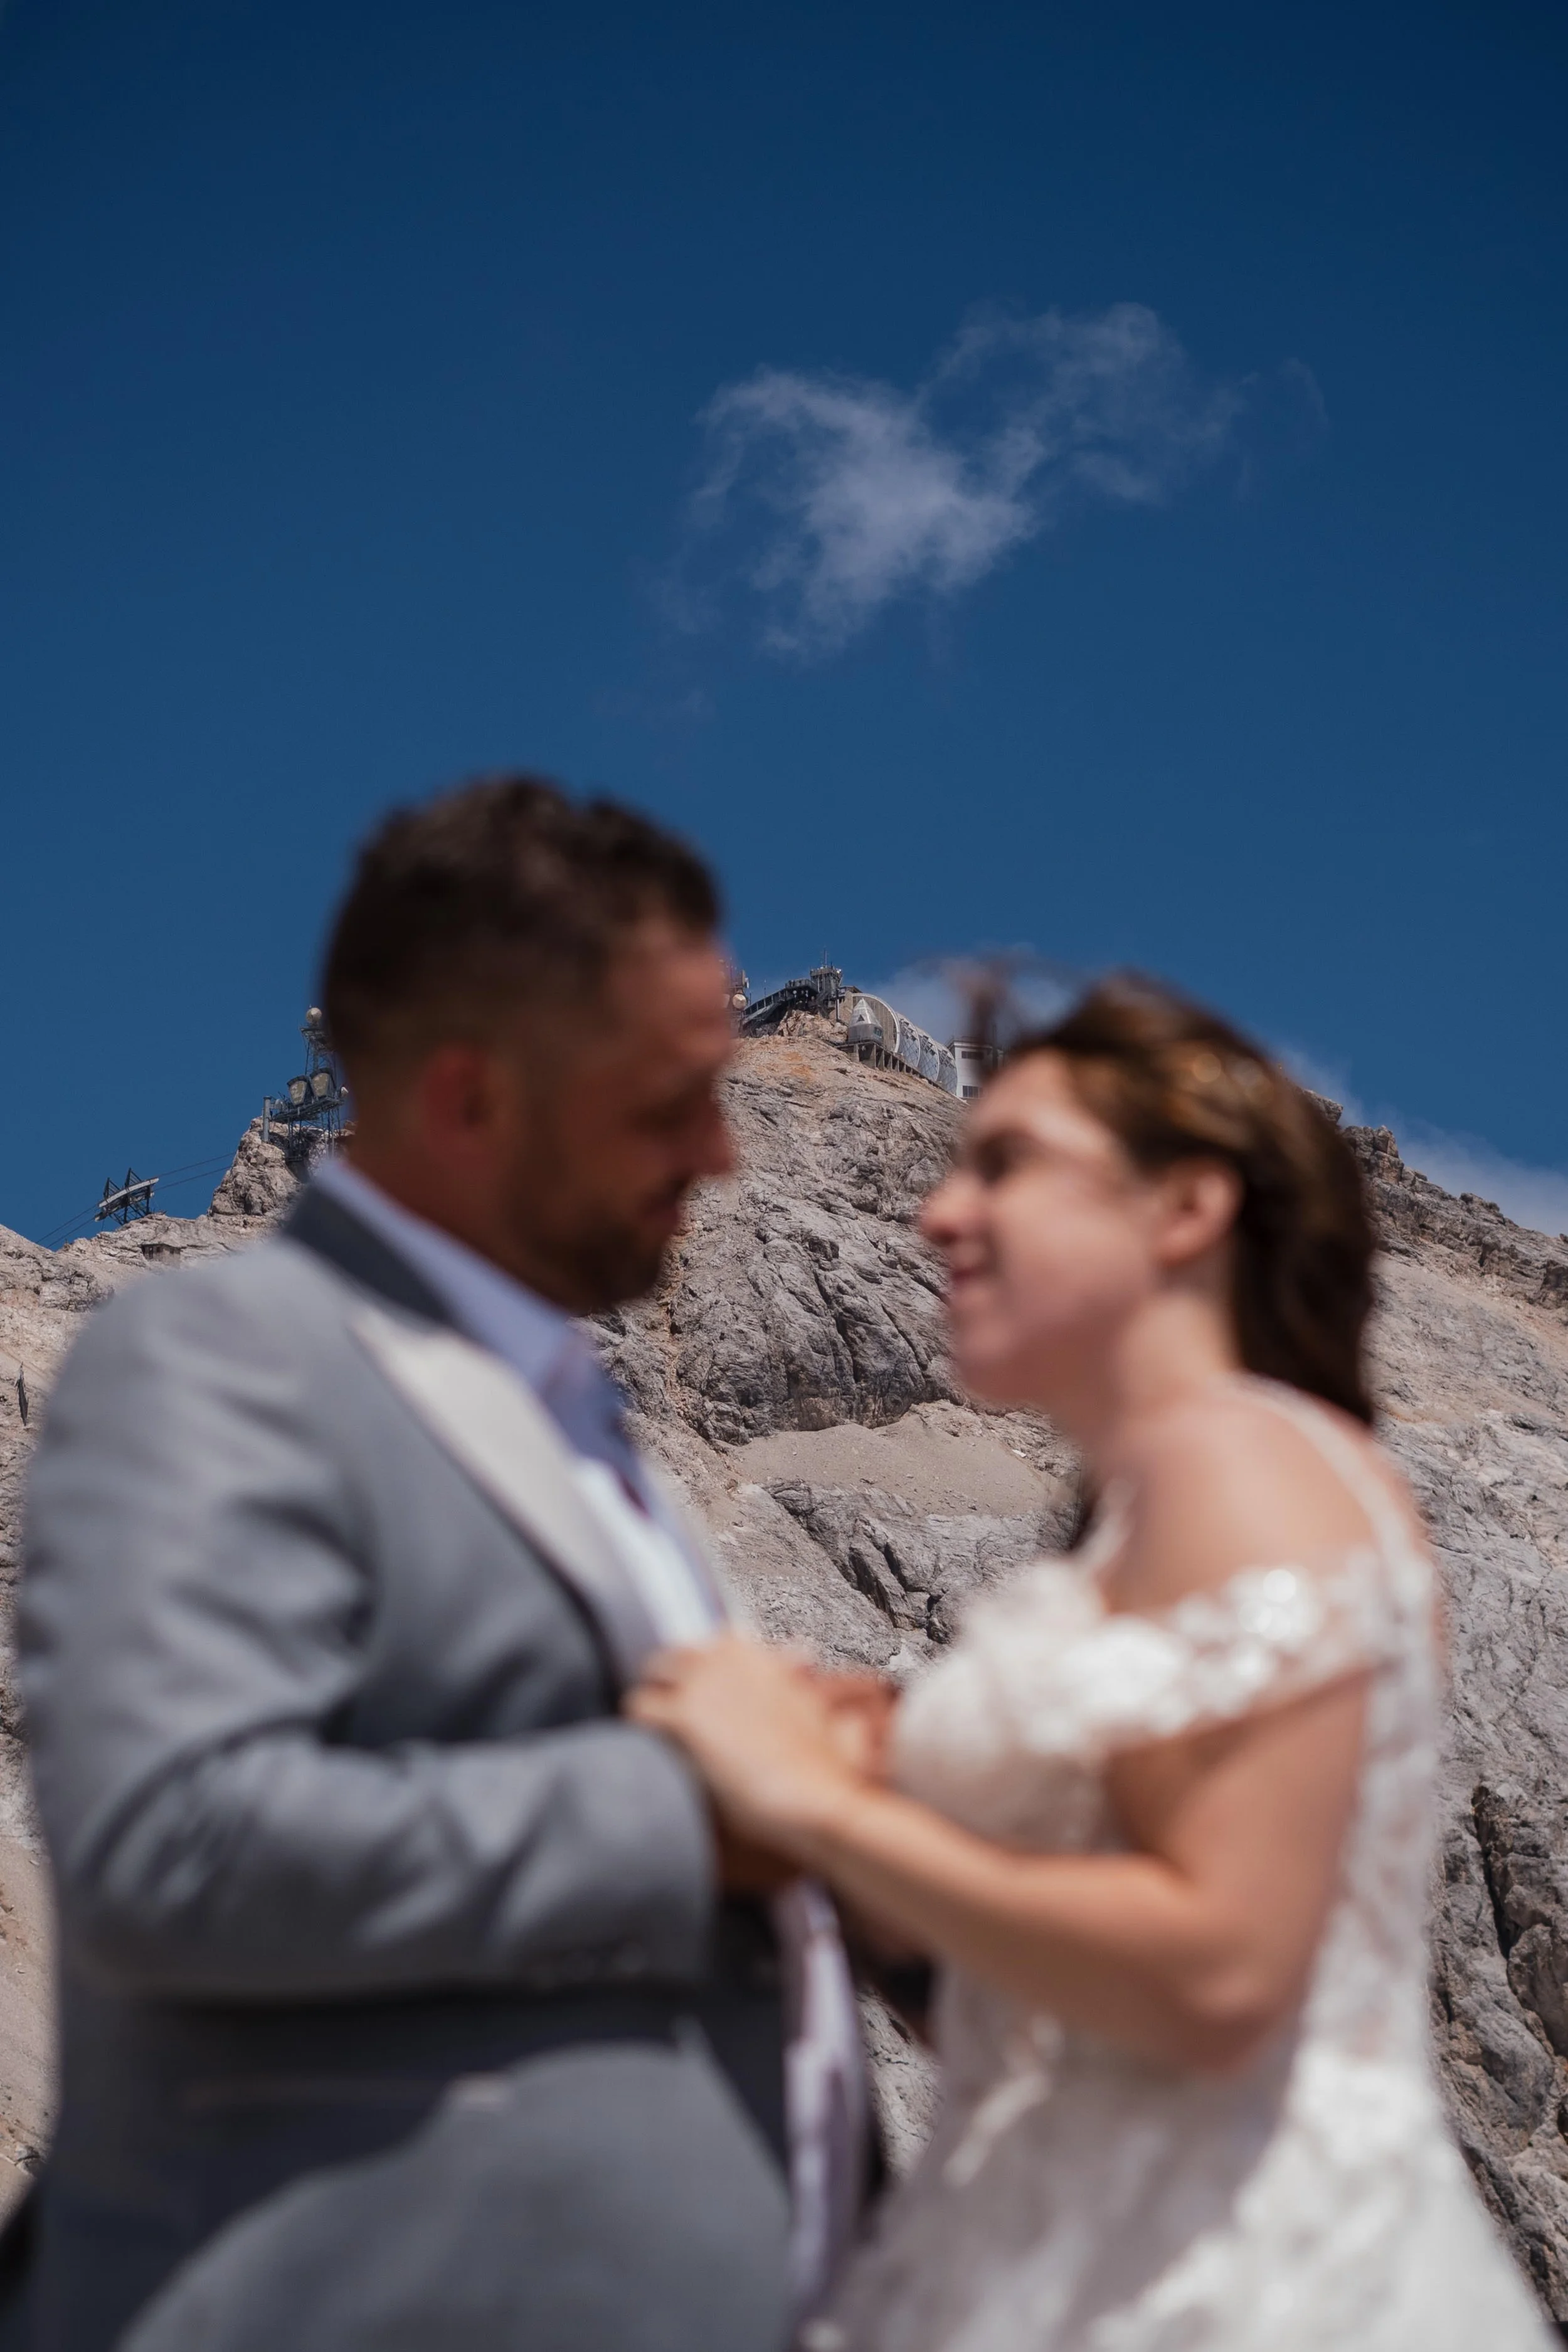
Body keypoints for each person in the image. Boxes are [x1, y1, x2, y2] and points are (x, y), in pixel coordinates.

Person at [13, 776, 867, 2352]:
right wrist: (692, 1811)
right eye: (667, 1091)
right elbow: (170, 1849)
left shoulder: (577, 1426)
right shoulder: (220, 1359)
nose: (723, 1148)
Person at [630, 976, 1554, 2352]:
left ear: (1183, 1211)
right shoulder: (1158, 1505)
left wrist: (817, 1800)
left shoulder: (1238, 1457)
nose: (940, 1214)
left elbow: (1219, 1983)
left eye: (1004, 1166)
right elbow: (1077, 2025)